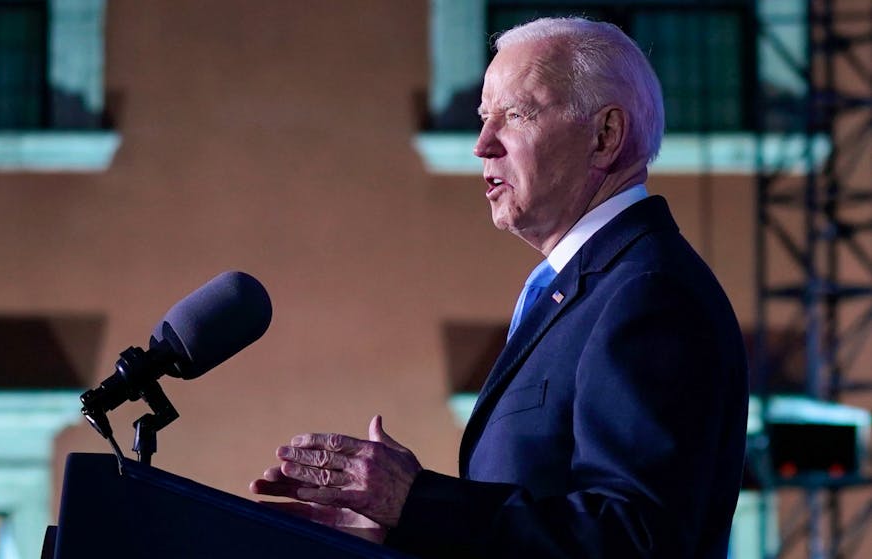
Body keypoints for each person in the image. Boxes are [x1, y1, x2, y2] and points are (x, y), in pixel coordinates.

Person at [251, 17, 748, 558]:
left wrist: (418, 501)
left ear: (605, 135)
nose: (482, 145)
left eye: (516, 115)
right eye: (484, 118)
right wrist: (405, 528)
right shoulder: (586, 287)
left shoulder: (647, 293)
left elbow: (635, 538)